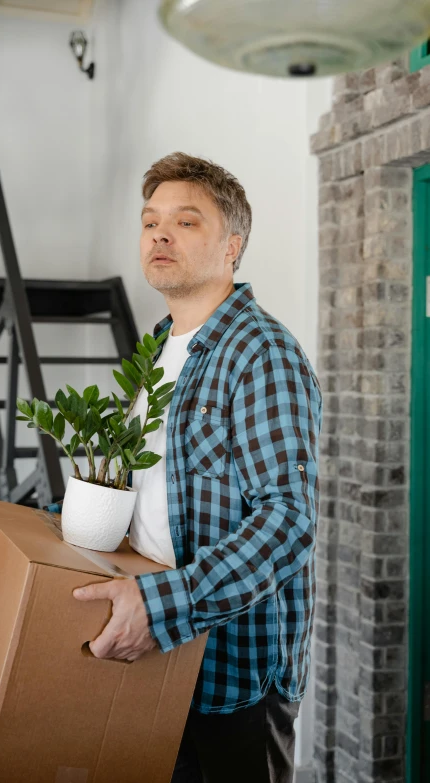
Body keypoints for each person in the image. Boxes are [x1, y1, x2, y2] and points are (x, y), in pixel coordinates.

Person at [72, 152, 323, 783]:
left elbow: (289, 521)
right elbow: (153, 488)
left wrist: (162, 607)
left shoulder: (263, 353)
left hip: (231, 672)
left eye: (186, 222)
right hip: (157, 651)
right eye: (150, 220)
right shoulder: (157, 347)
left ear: (233, 246)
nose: (159, 233)